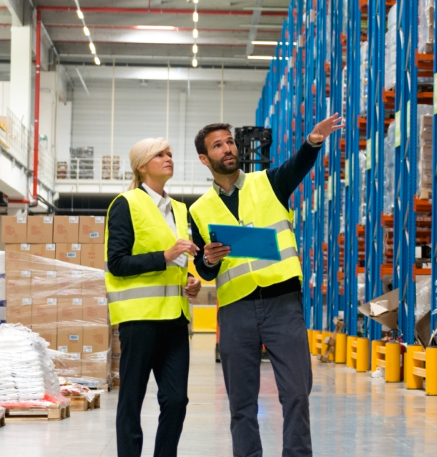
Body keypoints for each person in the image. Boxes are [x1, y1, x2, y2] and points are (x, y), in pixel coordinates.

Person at [189, 113, 343, 457]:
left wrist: (313, 142)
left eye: (229, 142)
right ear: (204, 158)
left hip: (282, 304)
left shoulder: (268, 182)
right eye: (218, 145)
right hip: (235, 311)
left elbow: (297, 166)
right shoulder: (198, 210)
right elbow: (204, 270)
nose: (228, 149)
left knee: (297, 392)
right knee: (241, 402)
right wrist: (209, 260)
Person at [105, 138, 201, 457]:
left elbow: (178, 264)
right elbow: (117, 263)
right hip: (140, 319)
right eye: (160, 155)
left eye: (170, 154)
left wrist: (190, 281)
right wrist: (164, 255)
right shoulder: (126, 203)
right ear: (142, 166)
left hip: (175, 319)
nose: (168, 158)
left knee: (176, 400)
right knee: (131, 399)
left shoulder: (180, 209)